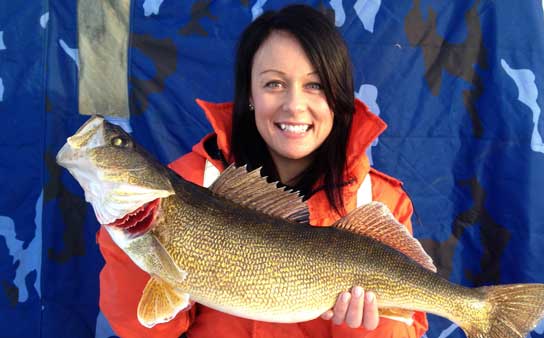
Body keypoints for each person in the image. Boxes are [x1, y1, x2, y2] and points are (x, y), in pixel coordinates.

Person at [97, 4, 429, 338]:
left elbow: (408, 326)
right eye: (273, 84)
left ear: (337, 97)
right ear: (250, 95)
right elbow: (145, 331)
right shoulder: (188, 184)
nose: (294, 105)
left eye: (315, 85)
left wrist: (362, 329)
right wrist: (134, 239)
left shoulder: (379, 200)